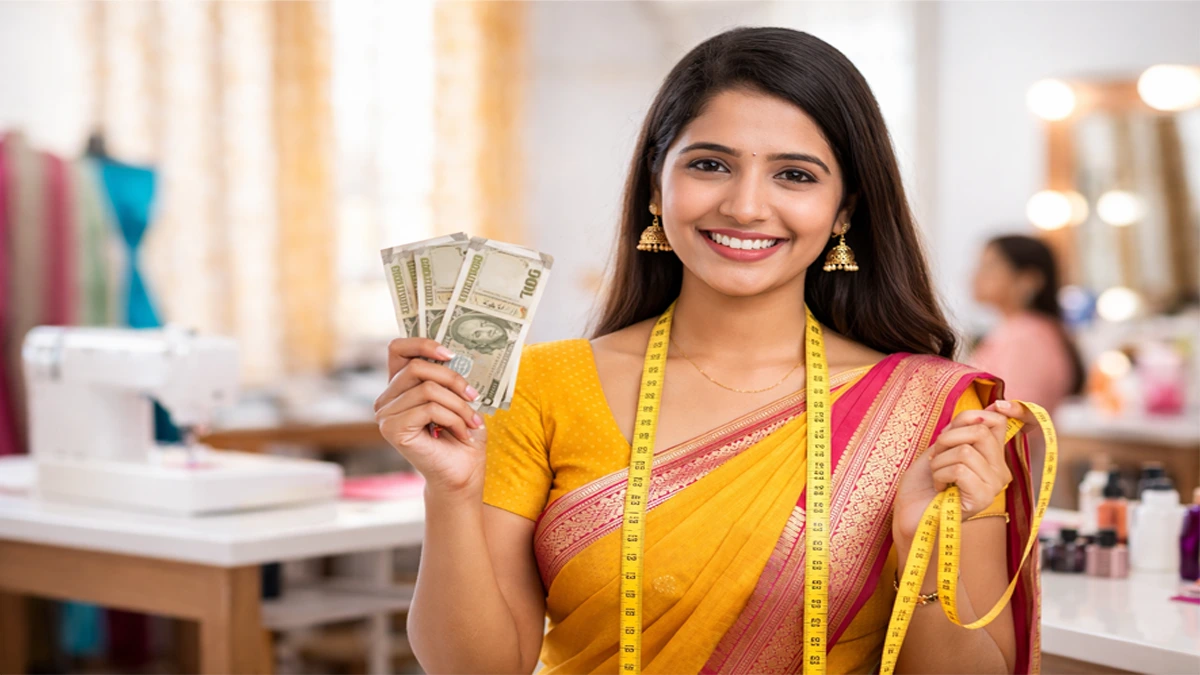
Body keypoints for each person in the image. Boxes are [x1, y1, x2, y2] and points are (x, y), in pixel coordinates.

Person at [375, 28, 1042, 674]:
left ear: (844, 212)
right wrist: (451, 493)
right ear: (657, 187)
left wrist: (926, 551)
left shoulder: (932, 410)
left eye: (796, 175)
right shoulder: (546, 384)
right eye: (710, 165)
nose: (747, 205)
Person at [969, 235, 1084, 415]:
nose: (976, 276)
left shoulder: (1025, 337)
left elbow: (1013, 417)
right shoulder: (1023, 331)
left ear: (1028, 280)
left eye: (990, 267)